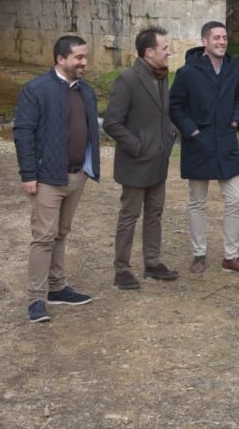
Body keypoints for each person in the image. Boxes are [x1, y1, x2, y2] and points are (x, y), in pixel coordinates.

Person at [13, 35, 100, 323]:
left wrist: (89, 167)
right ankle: (36, 299)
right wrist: (29, 174)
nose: (84, 62)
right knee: (43, 238)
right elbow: (23, 132)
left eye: (85, 57)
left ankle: (58, 287)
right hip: (48, 178)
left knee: (62, 233)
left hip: (78, 176)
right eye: (78, 57)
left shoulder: (86, 91)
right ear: (61, 59)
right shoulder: (36, 89)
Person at [169, 21, 239, 275]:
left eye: (224, 38)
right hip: (199, 143)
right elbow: (175, 106)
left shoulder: (231, 68)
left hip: (226, 142)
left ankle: (231, 255)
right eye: (216, 38)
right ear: (204, 42)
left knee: (236, 199)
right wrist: (192, 131)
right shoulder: (188, 72)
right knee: (197, 201)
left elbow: (237, 98)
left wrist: (235, 120)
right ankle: (199, 254)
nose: (222, 42)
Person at [103, 26, 180, 290]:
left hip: (159, 161)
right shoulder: (127, 80)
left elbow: (163, 114)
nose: (169, 52)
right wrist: (137, 147)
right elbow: (112, 123)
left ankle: (152, 262)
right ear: (149, 52)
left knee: (155, 214)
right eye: (164, 48)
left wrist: (169, 136)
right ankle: (122, 269)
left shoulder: (161, 77)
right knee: (129, 216)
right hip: (135, 163)